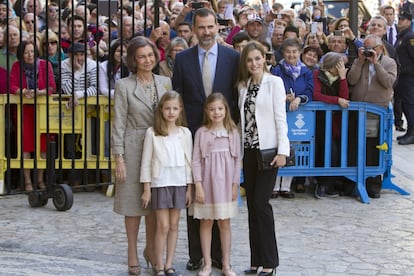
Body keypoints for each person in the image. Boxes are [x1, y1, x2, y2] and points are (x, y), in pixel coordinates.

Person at [172, 7, 240, 271]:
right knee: (195, 195)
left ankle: (220, 258)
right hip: (192, 135)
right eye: (201, 27)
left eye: (211, 27)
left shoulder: (232, 57)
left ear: (218, 27)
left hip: (223, 135)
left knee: (220, 200)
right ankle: (197, 256)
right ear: (195, 28)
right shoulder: (183, 59)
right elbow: (178, 95)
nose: (206, 32)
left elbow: (235, 96)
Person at [111, 36, 172, 275]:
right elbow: (118, 123)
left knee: (156, 204)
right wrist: (119, 158)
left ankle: (152, 250)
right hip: (134, 146)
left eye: (150, 55)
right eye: (141, 57)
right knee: (133, 204)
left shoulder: (166, 82)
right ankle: (132, 254)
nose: (147, 60)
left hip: (160, 148)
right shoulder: (124, 85)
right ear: (133, 61)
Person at [237, 41, 290, 276]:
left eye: (258, 58)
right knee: (251, 206)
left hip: (269, 151)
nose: (254, 63)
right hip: (248, 151)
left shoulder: (274, 83)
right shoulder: (244, 86)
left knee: (261, 204)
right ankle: (255, 260)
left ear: (265, 59)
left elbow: (281, 118)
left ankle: (270, 262)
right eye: (249, 60)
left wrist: (283, 151)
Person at [140, 91, 193, 276]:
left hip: (179, 183)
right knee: (162, 225)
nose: (171, 112)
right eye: (168, 108)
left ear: (180, 111)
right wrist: (146, 188)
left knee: (174, 224)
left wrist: (189, 187)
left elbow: (189, 161)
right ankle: (158, 264)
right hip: (160, 183)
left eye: (175, 108)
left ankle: (169, 264)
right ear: (161, 109)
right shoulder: (153, 133)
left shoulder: (185, 133)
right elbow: (146, 161)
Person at [192, 93, 240, 276]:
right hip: (206, 185)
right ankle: (207, 264)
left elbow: (237, 161)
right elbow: (196, 161)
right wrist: (198, 185)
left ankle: (226, 264)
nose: (216, 112)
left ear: (226, 110)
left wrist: (235, 184)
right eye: (212, 109)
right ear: (206, 111)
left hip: (226, 185)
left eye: (220, 108)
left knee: (224, 222)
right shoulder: (202, 133)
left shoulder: (232, 132)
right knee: (206, 222)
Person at [347, 34, 397, 198]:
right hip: (358, 109)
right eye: (366, 48)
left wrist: (376, 64)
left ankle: (374, 183)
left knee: (373, 147)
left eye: (372, 48)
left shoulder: (389, 63)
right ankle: (355, 181)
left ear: (380, 48)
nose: (369, 51)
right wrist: (360, 61)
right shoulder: (360, 61)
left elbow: (388, 82)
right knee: (356, 145)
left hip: (377, 112)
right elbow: (351, 80)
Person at [9, 40, 56, 191]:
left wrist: (40, 92)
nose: (29, 55)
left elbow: (52, 86)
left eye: (32, 51)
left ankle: (40, 180)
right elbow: (12, 86)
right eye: (26, 52)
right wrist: (23, 92)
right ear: (21, 54)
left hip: (42, 108)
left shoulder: (44, 65)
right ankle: (28, 181)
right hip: (24, 110)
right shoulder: (17, 66)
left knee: (43, 145)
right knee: (26, 145)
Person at [271, 38, 313, 197]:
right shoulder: (277, 70)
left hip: (298, 115)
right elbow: (272, 88)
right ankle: (274, 185)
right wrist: (283, 97)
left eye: (294, 51)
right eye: (288, 52)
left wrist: (299, 99)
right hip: (280, 113)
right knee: (278, 147)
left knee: (293, 148)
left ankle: (286, 186)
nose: (291, 54)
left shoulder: (306, 72)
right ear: (283, 53)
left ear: (300, 52)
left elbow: (309, 91)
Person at [313, 52, 349, 199]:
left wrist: (342, 78)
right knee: (324, 150)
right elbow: (317, 95)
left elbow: (345, 96)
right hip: (320, 120)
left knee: (335, 151)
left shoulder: (340, 78)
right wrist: (336, 100)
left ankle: (331, 184)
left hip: (336, 122)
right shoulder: (317, 74)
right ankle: (321, 184)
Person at [394, 11, 414, 145]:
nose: (399, 21)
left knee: (409, 105)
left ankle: (413, 133)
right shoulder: (402, 36)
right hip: (402, 76)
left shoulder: (410, 37)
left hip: (408, 77)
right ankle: (409, 131)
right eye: (399, 19)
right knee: (405, 105)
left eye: (402, 19)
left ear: (408, 21)